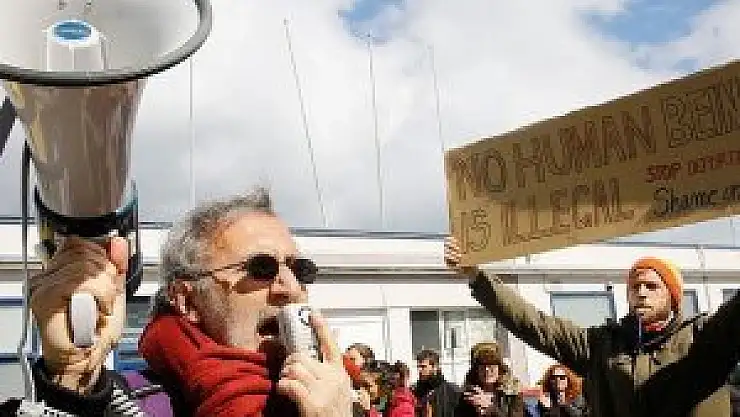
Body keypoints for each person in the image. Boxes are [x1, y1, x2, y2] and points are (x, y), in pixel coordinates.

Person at [0, 188, 354, 417]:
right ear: (187, 300)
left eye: (299, 269)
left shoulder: (336, 395)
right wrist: (70, 382)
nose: (291, 289)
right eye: (261, 268)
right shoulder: (128, 403)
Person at [444, 236, 739, 417]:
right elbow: (534, 324)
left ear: (673, 296)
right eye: (634, 286)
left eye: (652, 286)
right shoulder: (601, 344)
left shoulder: (703, 338)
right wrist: (477, 277)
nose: (641, 292)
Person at [454, 342, 524, 417]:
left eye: (491, 365)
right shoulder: (468, 394)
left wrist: (491, 409)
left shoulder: (512, 392)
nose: (487, 370)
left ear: (499, 368)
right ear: (476, 370)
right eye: (482, 365)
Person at [413, 349, 461, 417]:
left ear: (435, 367)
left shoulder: (452, 391)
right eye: (418, 367)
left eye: (423, 367)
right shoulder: (416, 391)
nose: (419, 370)